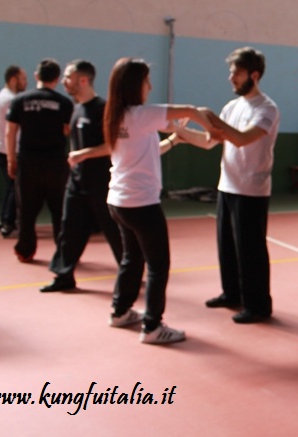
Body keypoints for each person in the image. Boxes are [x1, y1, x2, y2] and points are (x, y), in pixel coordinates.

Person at [103, 57, 218, 344]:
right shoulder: (142, 114)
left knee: (132, 259)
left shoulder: (116, 115)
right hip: (141, 204)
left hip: (118, 201)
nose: (150, 86)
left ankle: (120, 312)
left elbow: (142, 152)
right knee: (157, 265)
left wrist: (173, 142)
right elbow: (192, 110)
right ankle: (152, 327)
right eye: (146, 81)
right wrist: (214, 130)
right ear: (135, 84)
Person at [174, 47, 280, 323]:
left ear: (254, 75)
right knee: (227, 246)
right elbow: (210, 142)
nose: (231, 78)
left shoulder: (267, 108)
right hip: (227, 186)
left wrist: (208, 116)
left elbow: (243, 139)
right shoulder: (232, 107)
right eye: (231, 72)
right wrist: (180, 133)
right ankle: (231, 293)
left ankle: (258, 305)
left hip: (252, 190)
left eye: (237, 72)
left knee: (250, 250)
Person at [39, 60, 123, 292]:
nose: (64, 81)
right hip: (76, 182)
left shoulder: (103, 110)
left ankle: (130, 272)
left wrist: (85, 154)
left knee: (113, 230)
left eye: (68, 77)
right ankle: (63, 276)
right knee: (69, 229)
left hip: (100, 183)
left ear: (83, 80)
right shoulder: (76, 108)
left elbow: (113, 145)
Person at [5, 59, 74, 263]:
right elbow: (69, 130)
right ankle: (63, 251)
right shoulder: (64, 103)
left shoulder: (20, 100)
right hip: (55, 163)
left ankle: (25, 250)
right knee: (59, 208)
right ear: (57, 79)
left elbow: (10, 131)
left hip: (28, 161)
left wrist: (11, 159)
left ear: (37, 76)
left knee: (26, 209)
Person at [0, 65, 27, 238]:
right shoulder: (11, 100)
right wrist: (13, 156)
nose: (26, 82)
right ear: (14, 79)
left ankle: (4, 219)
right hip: (7, 151)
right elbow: (11, 130)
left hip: (1, 150)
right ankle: (8, 221)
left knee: (11, 186)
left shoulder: (1, 97)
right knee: (15, 187)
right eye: (23, 79)